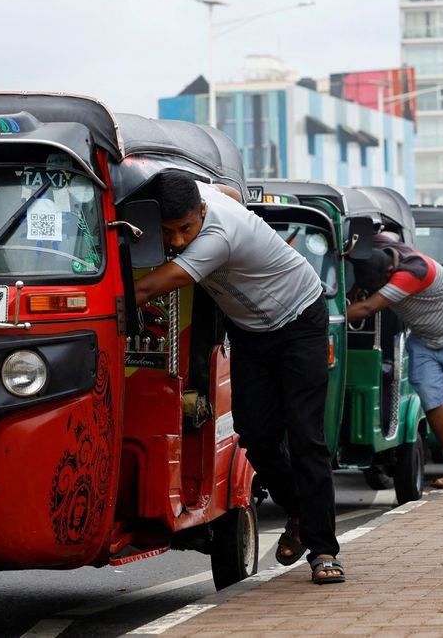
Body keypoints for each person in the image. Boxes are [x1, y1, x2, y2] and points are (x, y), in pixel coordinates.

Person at [133, 172, 344, 584]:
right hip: (251, 331)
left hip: (300, 319)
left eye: (185, 229)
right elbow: (230, 191)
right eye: (168, 232)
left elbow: (158, 283)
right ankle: (299, 511)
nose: (176, 241)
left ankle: (323, 550)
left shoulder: (218, 236)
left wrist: (104, 295)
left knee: (305, 436)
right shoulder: (206, 194)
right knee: (256, 436)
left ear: (203, 213)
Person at [346, 235, 443, 487]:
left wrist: (323, 318)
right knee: (430, 399)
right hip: (425, 337)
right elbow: (371, 234)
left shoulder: (413, 272)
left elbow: (366, 309)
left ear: (389, 271)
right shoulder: (383, 248)